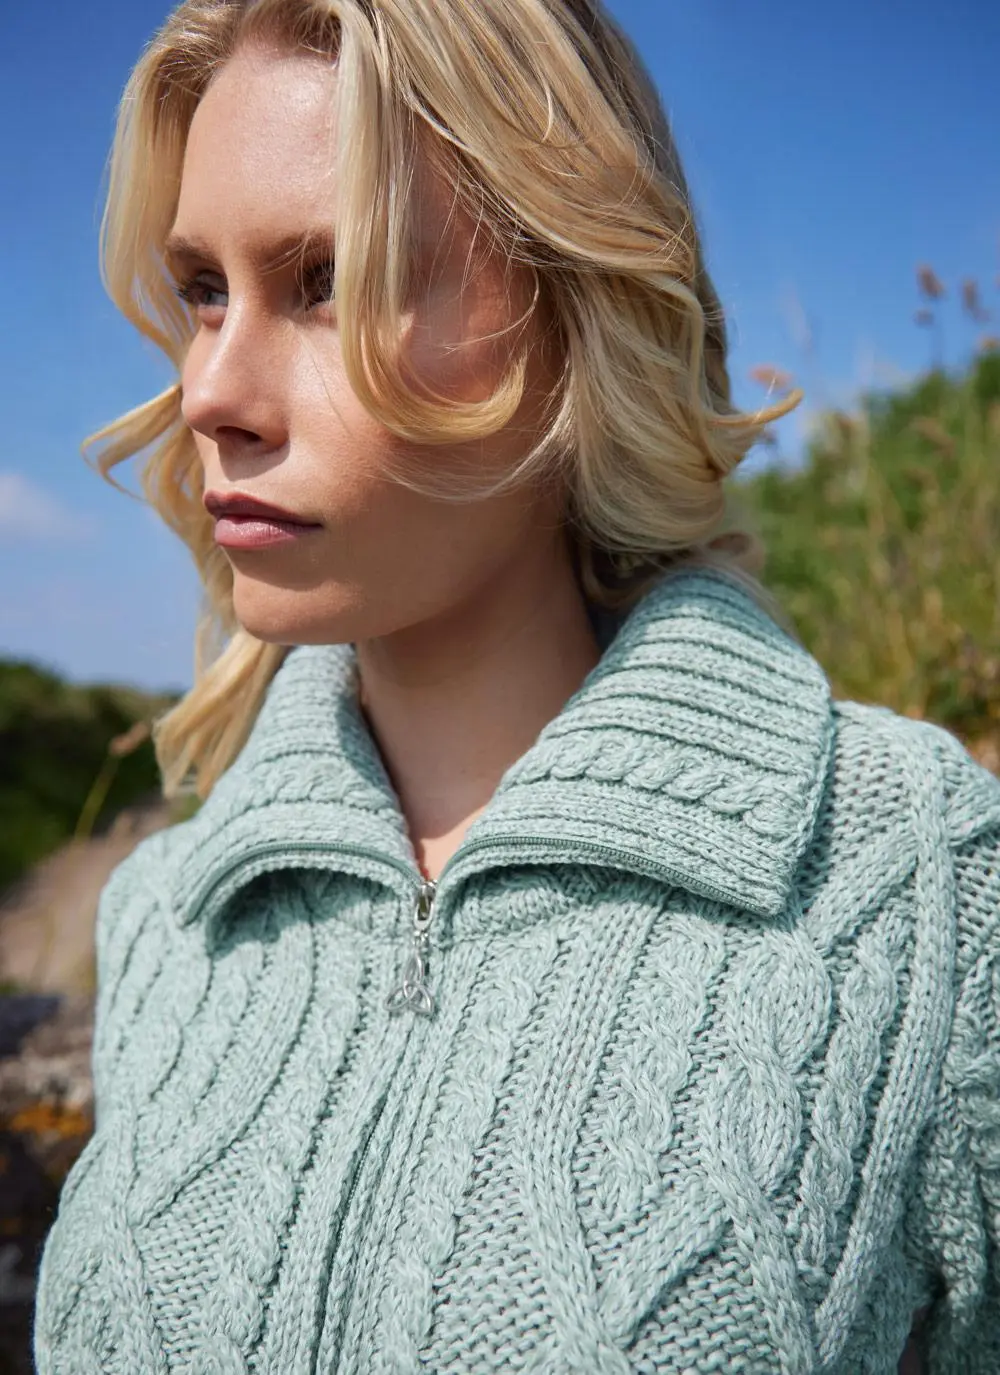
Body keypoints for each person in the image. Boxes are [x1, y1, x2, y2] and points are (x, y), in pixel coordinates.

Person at [32, 1, 999, 1371]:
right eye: (203, 289)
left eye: (327, 279)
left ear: (573, 303)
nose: (210, 391)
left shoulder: (919, 885)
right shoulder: (164, 922)